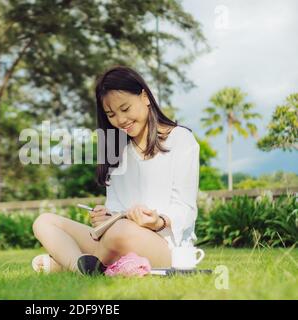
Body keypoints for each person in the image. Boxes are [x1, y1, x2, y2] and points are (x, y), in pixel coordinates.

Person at [31, 65, 200, 275]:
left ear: (145, 97)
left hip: (165, 245)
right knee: (44, 221)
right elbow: (117, 210)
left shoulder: (181, 139)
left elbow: (186, 207)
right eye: (111, 114)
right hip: (115, 238)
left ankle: (69, 262)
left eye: (125, 109)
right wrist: (106, 216)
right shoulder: (118, 152)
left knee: (120, 232)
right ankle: (81, 268)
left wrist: (158, 221)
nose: (120, 120)